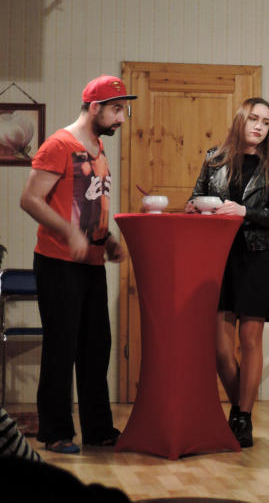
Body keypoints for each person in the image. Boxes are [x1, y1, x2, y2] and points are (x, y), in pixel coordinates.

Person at [19, 75, 131, 454]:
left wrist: (107, 239)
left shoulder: (97, 147)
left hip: (91, 262)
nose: (122, 118)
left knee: (96, 346)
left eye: (124, 110)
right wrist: (69, 233)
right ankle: (54, 432)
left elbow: (85, 203)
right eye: (116, 110)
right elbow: (30, 199)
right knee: (61, 346)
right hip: (58, 263)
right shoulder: (59, 145)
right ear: (95, 107)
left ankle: (98, 429)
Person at [186, 97, 269, 448]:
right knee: (220, 349)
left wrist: (243, 210)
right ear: (241, 120)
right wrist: (194, 207)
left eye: (266, 122)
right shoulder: (214, 158)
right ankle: (239, 410)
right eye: (254, 119)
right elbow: (197, 196)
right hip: (218, 257)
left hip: (257, 257)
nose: (259, 127)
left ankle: (243, 417)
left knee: (251, 341)